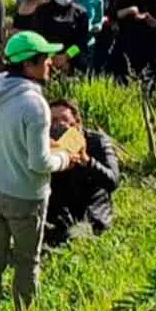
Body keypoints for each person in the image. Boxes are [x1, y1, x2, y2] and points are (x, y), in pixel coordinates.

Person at [0, 31, 78, 311]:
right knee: (27, 263)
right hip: (25, 196)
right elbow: (39, 163)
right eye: (44, 58)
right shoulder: (34, 105)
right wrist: (66, 158)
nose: (49, 63)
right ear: (29, 64)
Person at [44, 99, 119, 248]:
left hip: (92, 209)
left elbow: (113, 181)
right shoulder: (46, 146)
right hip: (60, 209)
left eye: (64, 120)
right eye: (53, 121)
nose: (57, 125)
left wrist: (87, 161)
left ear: (77, 123)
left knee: (75, 236)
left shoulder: (97, 142)